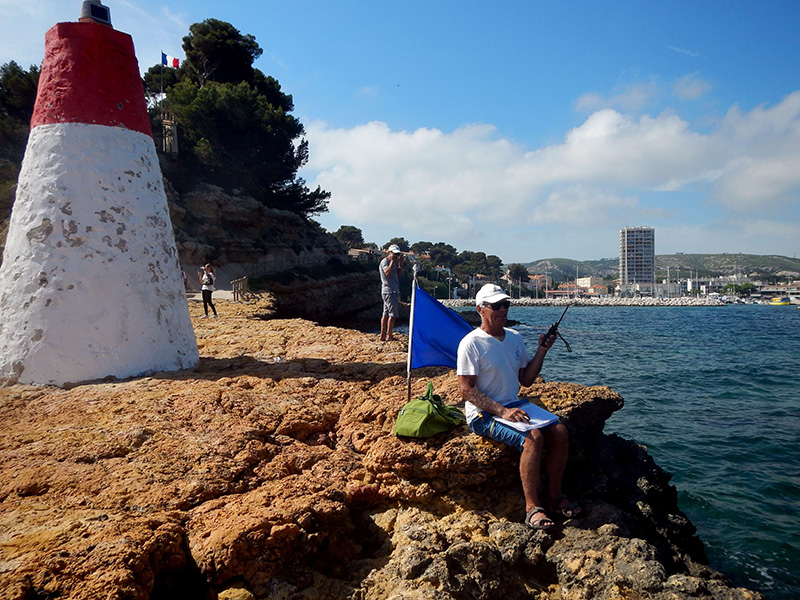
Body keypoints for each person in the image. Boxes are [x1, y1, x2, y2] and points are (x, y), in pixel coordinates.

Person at [457, 283, 582, 530]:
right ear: (481, 309)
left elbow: (525, 380)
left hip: (514, 403)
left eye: (506, 305)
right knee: (532, 438)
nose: (503, 310)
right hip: (484, 415)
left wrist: (542, 351)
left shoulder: (514, 337)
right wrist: (502, 412)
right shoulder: (470, 343)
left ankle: (555, 496)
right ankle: (532, 508)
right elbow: (466, 390)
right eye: (496, 306)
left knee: (559, 432)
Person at [379, 244, 404, 341]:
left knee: (386, 313)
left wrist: (400, 264)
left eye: (397, 255)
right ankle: (389, 335)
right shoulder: (385, 261)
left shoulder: (392, 263)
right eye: (394, 254)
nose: (396, 256)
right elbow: (387, 273)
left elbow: (397, 275)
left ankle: (383, 335)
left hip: (392, 290)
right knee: (393, 314)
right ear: (389, 252)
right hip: (389, 291)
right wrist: (392, 261)